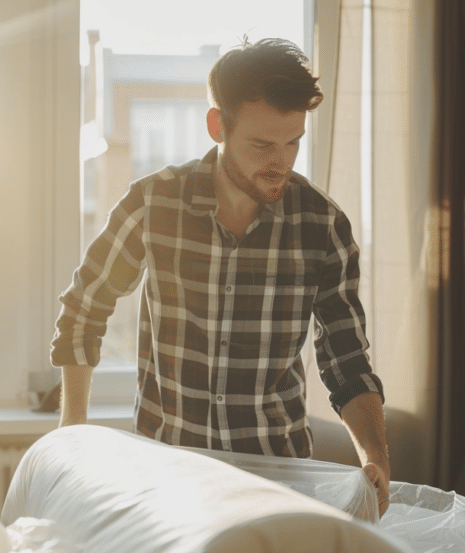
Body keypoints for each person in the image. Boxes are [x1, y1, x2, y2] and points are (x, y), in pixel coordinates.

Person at [51, 37, 391, 515]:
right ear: (217, 126)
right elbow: (85, 307)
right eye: (262, 144)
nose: (281, 162)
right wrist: (74, 427)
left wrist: (374, 456)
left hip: (280, 484)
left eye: (293, 142)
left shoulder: (322, 226)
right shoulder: (154, 205)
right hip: (168, 480)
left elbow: (347, 360)